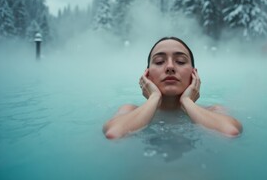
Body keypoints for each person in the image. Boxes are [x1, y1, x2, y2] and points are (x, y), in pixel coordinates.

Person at [103, 37, 243, 139]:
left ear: (194, 74)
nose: (170, 67)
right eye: (159, 61)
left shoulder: (214, 111)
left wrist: (187, 102)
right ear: (148, 75)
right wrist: (154, 98)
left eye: (180, 61)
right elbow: (114, 133)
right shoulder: (129, 110)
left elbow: (230, 132)